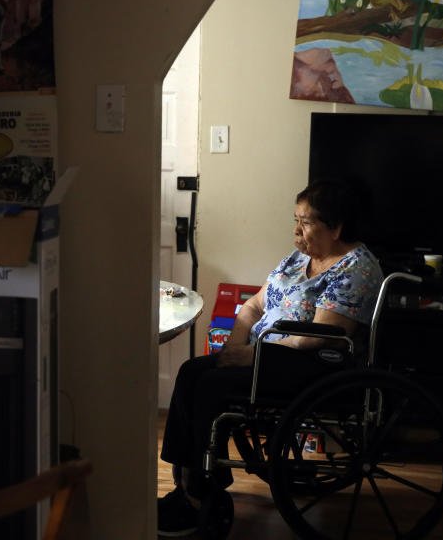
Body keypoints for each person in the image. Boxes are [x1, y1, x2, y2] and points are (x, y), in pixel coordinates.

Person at [157, 179, 383, 537]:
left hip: (310, 366)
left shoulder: (357, 270)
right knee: (190, 372)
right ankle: (188, 483)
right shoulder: (298, 259)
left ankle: (199, 493)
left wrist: (250, 356)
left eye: (305, 222)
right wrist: (233, 349)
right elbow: (252, 306)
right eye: (295, 219)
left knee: (211, 386)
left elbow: (320, 337)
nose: (295, 229)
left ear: (337, 227)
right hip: (265, 357)